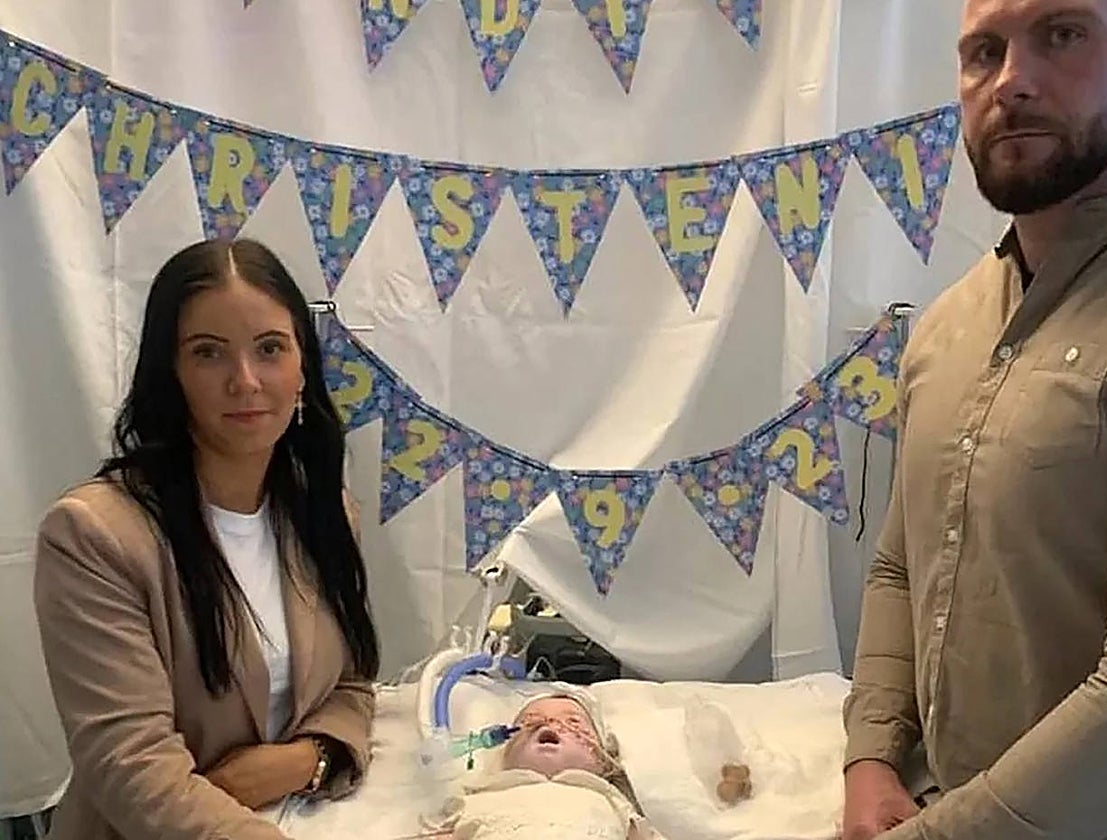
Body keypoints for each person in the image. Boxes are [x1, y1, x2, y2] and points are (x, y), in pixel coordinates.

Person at [841, 1, 1107, 838]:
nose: (1011, 82)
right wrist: (870, 760)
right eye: (983, 52)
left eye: (1062, 35)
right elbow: (901, 567)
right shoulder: (947, 326)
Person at [33, 238, 381, 840]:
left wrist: (306, 760)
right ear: (171, 374)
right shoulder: (93, 537)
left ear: (302, 367)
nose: (245, 381)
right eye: (208, 353)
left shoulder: (324, 512)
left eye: (269, 348)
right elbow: (133, 767)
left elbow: (351, 685)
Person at [421, 691, 664, 839]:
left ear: (603, 762)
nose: (549, 723)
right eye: (530, 721)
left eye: (574, 722)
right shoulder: (476, 798)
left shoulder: (611, 802)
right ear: (504, 752)